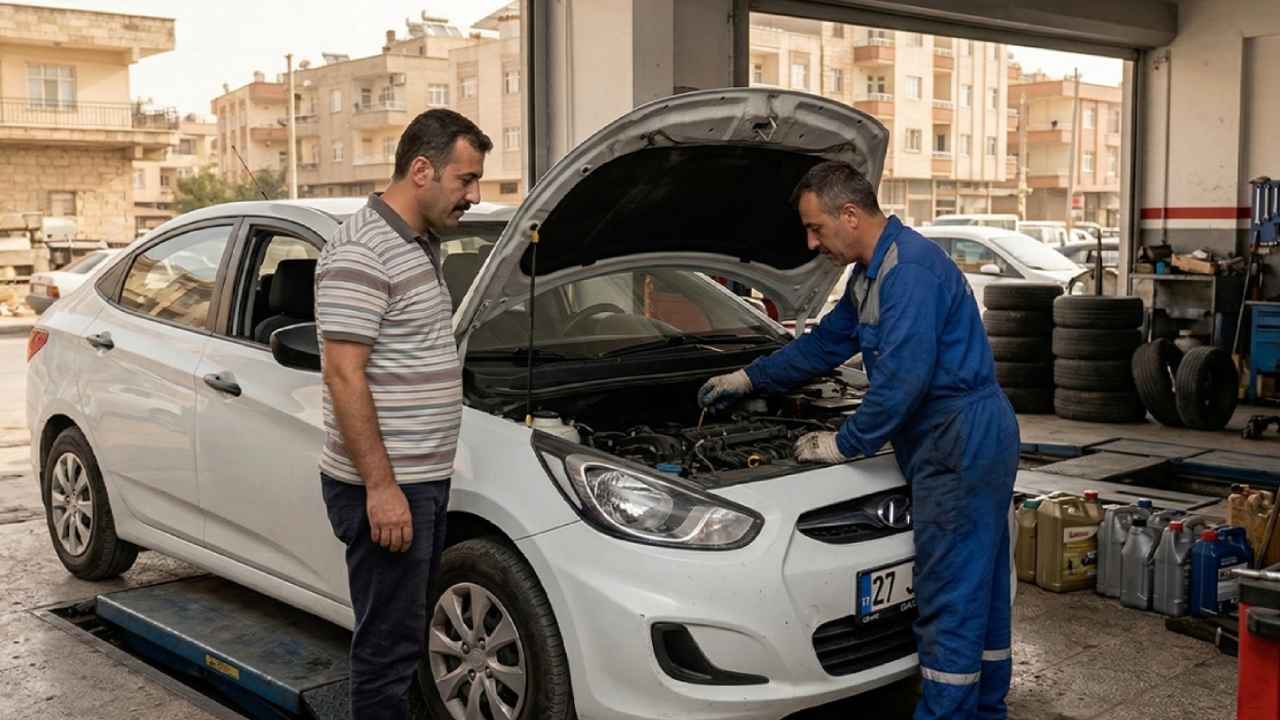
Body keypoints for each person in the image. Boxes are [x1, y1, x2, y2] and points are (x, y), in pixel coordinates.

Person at [698, 161, 1019, 720]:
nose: (811, 241)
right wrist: (750, 378)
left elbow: (902, 382)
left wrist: (844, 443)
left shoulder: (910, 271)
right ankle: (986, 710)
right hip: (958, 433)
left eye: (816, 228)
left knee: (950, 594)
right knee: (980, 582)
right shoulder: (871, 273)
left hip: (959, 435)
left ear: (850, 215)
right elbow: (825, 346)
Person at [314, 109, 491, 719]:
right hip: (390, 486)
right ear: (421, 169)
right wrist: (382, 486)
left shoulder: (417, 245)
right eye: (465, 180)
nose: (473, 195)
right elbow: (343, 374)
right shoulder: (362, 249)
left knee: (406, 630)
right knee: (388, 643)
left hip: (421, 480)